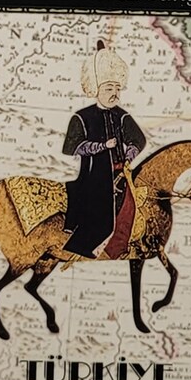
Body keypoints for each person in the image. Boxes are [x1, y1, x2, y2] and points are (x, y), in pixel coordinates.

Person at [60, 42, 146, 258]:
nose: (114, 94)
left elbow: (138, 140)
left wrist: (129, 155)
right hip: (94, 175)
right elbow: (72, 147)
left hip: (121, 173)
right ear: (95, 89)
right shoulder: (82, 117)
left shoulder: (122, 115)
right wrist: (101, 146)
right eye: (109, 88)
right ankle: (81, 248)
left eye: (117, 89)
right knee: (99, 215)